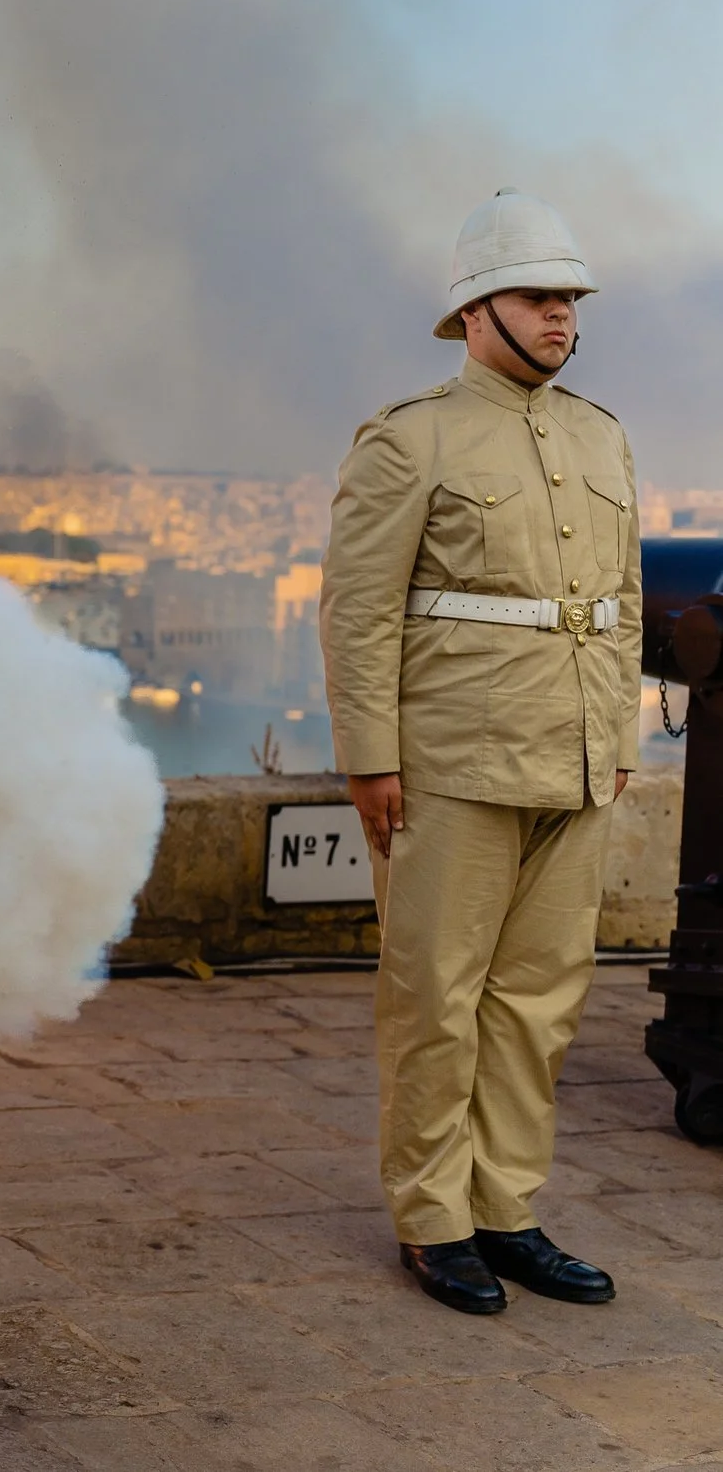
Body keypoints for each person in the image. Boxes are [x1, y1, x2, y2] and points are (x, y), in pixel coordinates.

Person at [321, 190, 638, 1315]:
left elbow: (619, 599)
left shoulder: (601, 434)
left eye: (569, 300)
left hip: (581, 757)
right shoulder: (411, 437)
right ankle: (432, 1218)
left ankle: (507, 1208)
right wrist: (369, 755)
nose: (561, 318)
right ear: (477, 310)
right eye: (540, 297)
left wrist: (621, 736)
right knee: (434, 995)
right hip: (451, 757)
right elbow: (358, 608)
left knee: (541, 999)